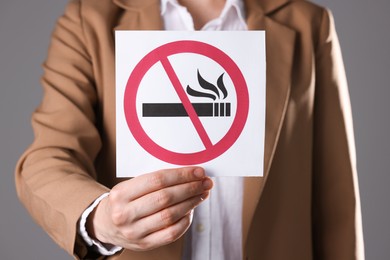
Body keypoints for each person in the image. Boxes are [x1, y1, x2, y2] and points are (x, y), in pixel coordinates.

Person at [15, 0, 365, 259]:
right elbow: (49, 156)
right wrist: (101, 219)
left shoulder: (308, 23)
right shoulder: (89, 19)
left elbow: (334, 196)